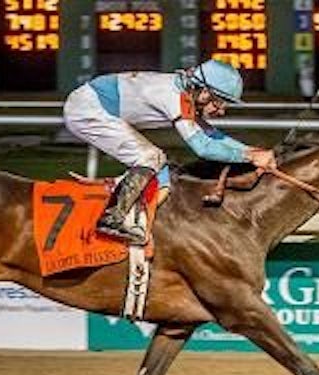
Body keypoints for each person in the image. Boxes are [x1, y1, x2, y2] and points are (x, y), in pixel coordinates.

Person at [63, 59, 277, 245]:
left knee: (162, 173)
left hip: (96, 105)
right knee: (151, 157)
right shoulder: (173, 96)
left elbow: (212, 135)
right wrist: (250, 157)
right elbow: (203, 148)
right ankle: (111, 218)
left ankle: (140, 218)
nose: (221, 111)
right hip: (87, 109)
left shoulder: (186, 92)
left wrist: (253, 151)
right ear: (203, 92)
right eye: (219, 102)